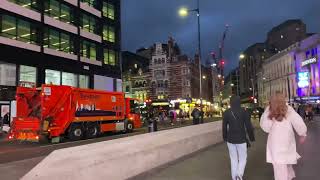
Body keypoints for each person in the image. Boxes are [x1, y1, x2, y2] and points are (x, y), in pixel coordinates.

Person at [260, 92, 307, 180]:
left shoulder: (269, 111)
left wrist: (270, 117)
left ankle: (287, 176)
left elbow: (265, 127)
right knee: (285, 162)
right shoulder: (289, 109)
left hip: (275, 145)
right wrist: (302, 134)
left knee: (279, 169)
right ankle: (289, 175)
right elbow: (298, 122)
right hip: (287, 143)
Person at [223, 96, 255, 180]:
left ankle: (235, 178)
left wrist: (225, 137)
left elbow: (224, 127)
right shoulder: (244, 112)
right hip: (241, 139)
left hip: (230, 139)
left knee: (233, 159)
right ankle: (239, 175)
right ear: (239, 102)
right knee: (243, 158)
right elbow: (248, 126)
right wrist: (251, 137)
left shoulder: (226, 112)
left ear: (230, 102)